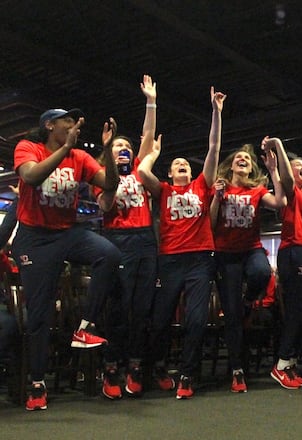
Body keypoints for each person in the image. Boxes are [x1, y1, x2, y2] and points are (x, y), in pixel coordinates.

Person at [13, 107, 121, 411]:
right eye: (68, 122)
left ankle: (85, 326)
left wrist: (108, 151)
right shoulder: (28, 147)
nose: (75, 126)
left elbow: (110, 184)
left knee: (109, 254)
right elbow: (32, 177)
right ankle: (37, 383)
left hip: (66, 232)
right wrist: (65, 148)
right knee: (40, 314)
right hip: (35, 237)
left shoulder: (80, 157)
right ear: (50, 125)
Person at [138, 87, 225, 400]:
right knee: (160, 320)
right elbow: (142, 171)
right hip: (171, 260)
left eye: (185, 163)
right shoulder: (162, 190)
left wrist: (216, 111)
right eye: (176, 164)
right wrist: (154, 155)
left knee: (197, 319)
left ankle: (188, 373)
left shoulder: (202, 186)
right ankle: (158, 367)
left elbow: (213, 148)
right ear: (171, 173)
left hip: (201, 259)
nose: (182, 165)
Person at [93, 75, 157, 399]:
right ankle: (111, 366)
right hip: (119, 240)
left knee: (141, 307)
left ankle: (134, 364)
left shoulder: (140, 175)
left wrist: (151, 101)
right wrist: (112, 173)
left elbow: (147, 137)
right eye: (119, 146)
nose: (125, 150)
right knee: (118, 308)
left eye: (127, 148)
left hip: (146, 239)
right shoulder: (103, 176)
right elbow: (104, 204)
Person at [210, 138, 285, 393]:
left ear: (251, 169)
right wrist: (217, 198)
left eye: (248, 160)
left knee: (263, 272)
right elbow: (209, 223)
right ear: (231, 166)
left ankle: (248, 301)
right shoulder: (220, 188)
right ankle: (237, 369)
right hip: (225, 254)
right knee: (232, 317)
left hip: (251, 249)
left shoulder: (257, 191)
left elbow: (280, 204)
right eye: (238, 158)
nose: (243, 160)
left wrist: (273, 170)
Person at [270, 151, 302, 390]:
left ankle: (290, 362)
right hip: (293, 250)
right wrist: (279, 147)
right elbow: (286, 178)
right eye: (296, 165)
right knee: (296, 309)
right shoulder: (291, 191)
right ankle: (280, 364)